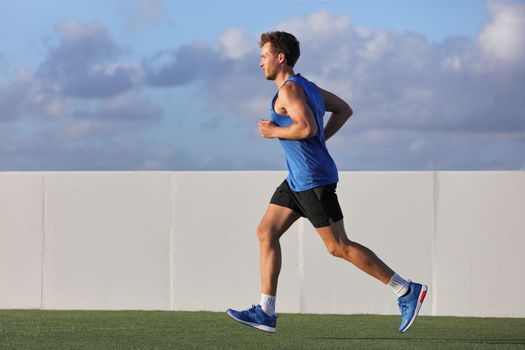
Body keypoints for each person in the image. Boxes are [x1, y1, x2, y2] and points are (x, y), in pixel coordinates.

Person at [227, 31, 427, 334]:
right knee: (266, 231)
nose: (260, 63)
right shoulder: (308, 86)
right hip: (298, 178)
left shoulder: (290, 91)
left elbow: (305, 127)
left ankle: (405, 289)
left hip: (312, 179)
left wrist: (274, 132)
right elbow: (344, 109)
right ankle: (266, 312)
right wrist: (321, 141)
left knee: (338, 247)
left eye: (264, 56)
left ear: (280, 58)